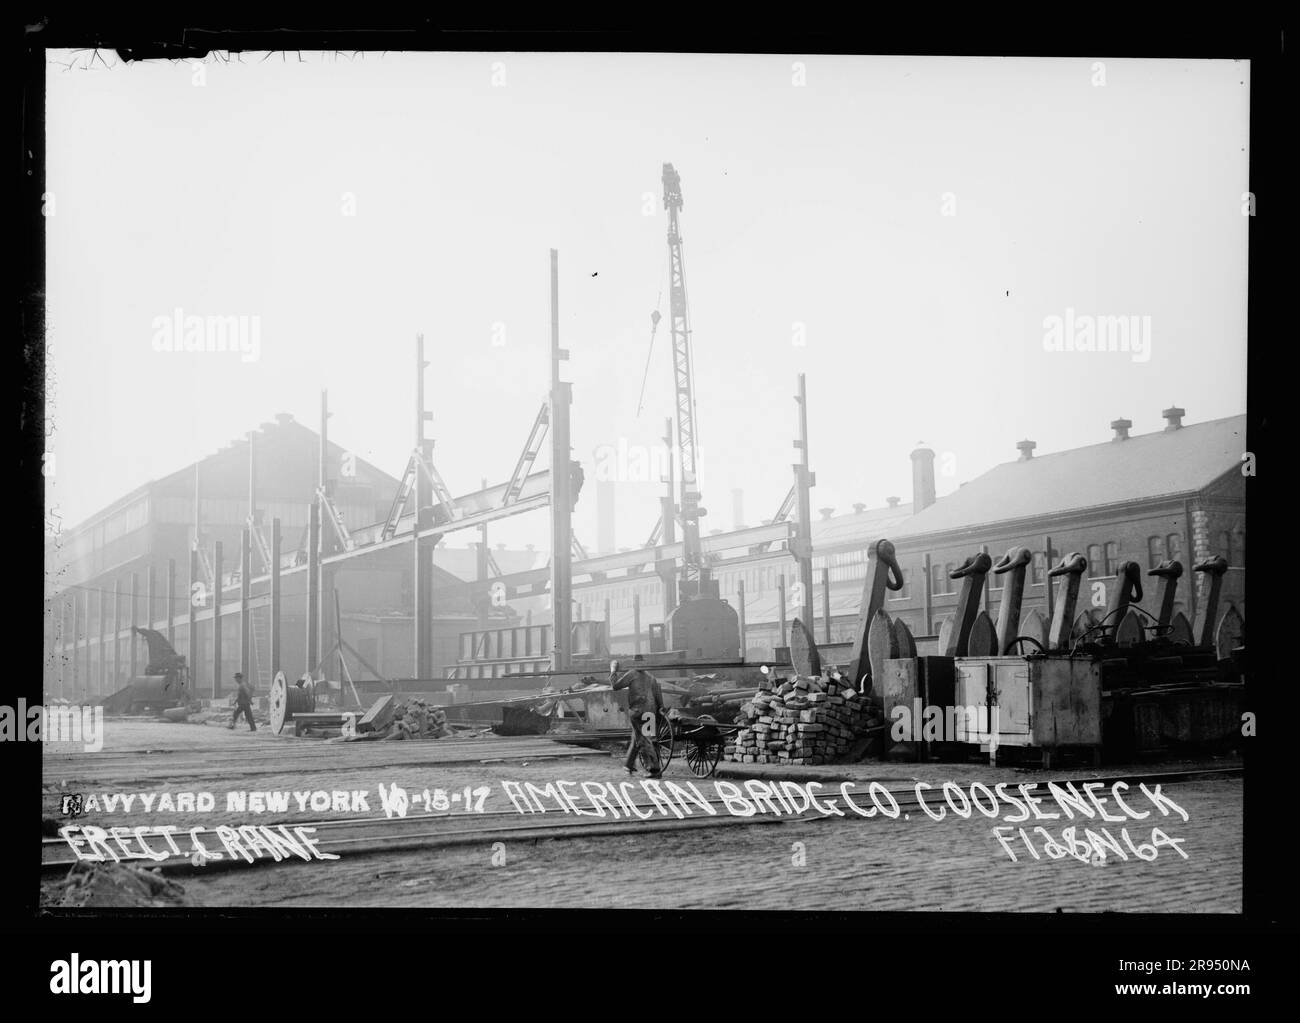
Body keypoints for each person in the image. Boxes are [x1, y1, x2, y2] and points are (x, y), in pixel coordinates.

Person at [611, 654, 664, 777]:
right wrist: (661, 710)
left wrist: (613, 670)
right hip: (651, 712)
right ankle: (628, 765)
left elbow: (615, 686)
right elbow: (658, 697)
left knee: (643, 739)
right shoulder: (651, 677)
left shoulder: (632, 674)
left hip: (638, 712)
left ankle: (654, 770)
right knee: (640, 737)